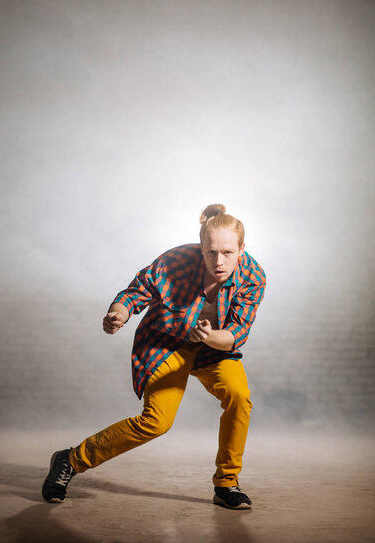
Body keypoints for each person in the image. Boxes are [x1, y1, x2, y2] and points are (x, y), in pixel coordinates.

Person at [42, 204, 266, 510]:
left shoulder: (253, 277)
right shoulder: (175, 261)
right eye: (211, 252)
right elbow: (136, 293)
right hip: (165, 344)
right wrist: (117, 314)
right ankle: (70, 460)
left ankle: (227, 484)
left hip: (213, 347)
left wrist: (209, 336)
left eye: (228, 253)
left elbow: (237, 333)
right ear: (201, 247)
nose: (219, 261)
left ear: (242, 248)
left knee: (240, 396)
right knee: (156, 423)